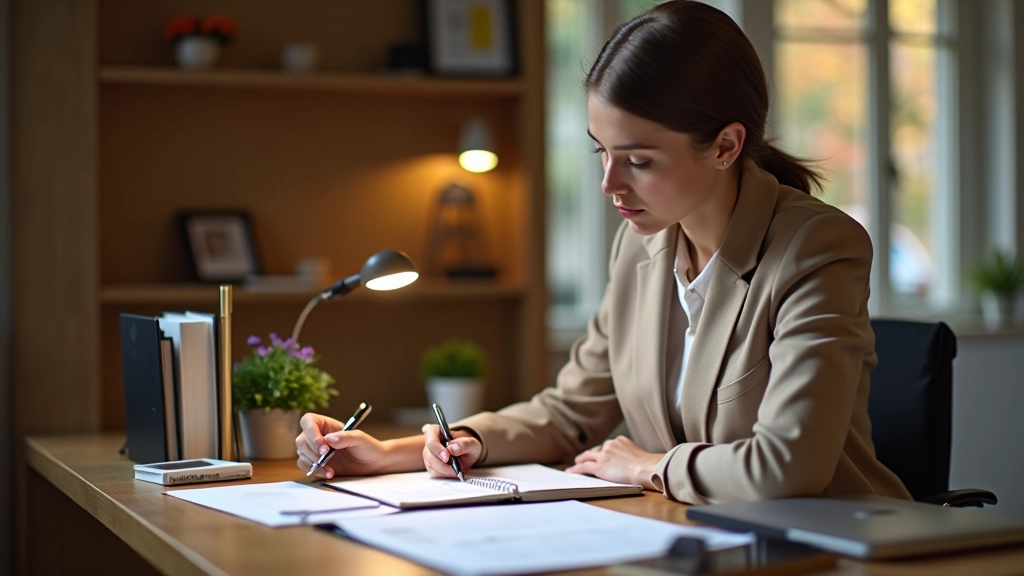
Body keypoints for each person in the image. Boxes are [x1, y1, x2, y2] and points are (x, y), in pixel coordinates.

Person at [296, 0, 911, 505]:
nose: (609, 184)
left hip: (832, 548)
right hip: (695, 539)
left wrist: (647, 466)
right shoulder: (640, 245)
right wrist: (408, 451)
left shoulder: (816, 246)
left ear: (725, 146)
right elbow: (571, 411)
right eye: (602, 152)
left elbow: (789, 466)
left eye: (639, 161)